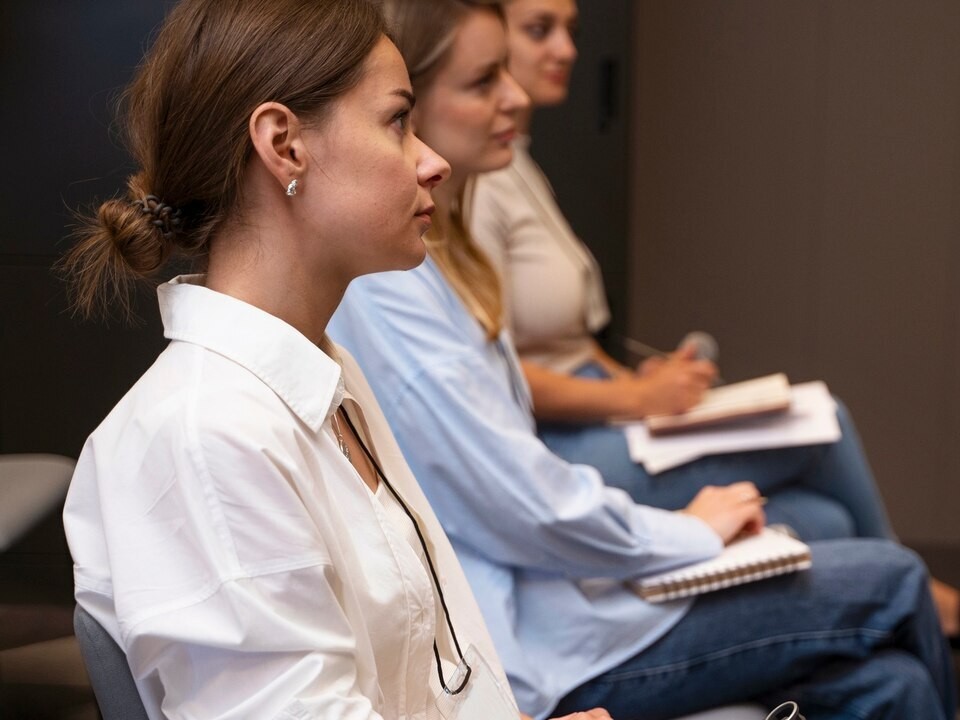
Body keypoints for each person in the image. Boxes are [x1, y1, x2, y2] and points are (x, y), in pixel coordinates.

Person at [328, 1, 957, 718]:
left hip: (561, 595)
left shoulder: (451, 247)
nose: (520, 95)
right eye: (484, 80)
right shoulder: (390, 285)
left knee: (893, 681)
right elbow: (521, 503)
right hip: (537, 643)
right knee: (896, 574)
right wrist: (687, 532)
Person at [58, 2, 609, 718]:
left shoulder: (324, 373)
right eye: (397, 122)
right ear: (284, 146)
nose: (431, 160)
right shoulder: (204, 437)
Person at [467, 0, 960, 634]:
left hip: (598, 408)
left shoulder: (520, 165)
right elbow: (498, 371)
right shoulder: (472, 188)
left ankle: (877, 612)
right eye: (539, 31)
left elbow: (569, 346)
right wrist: (639, 395)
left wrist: (648, 385)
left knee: (826, 520)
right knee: (825, 421)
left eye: (571, 31)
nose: (565, 50)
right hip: (558, 444)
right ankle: (919, 600)